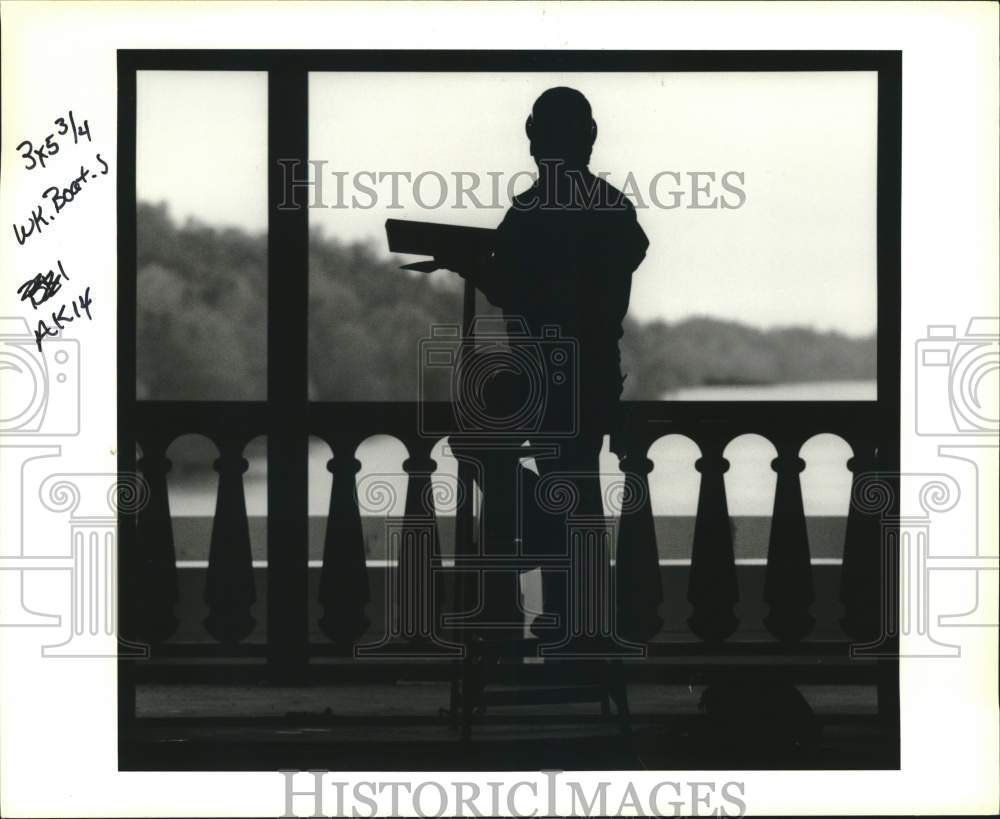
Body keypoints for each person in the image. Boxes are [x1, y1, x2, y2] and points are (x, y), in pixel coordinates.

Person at [437, 87, 649, 642]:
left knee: (527, 476)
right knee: (573, 489)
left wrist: (470, 267)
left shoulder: (533, 209)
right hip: (590, 372)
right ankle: (571, 634)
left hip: (543, 373)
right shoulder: (609, 206)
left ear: (533, 138)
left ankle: (551, 622)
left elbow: (513, 287)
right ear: (591, 138)